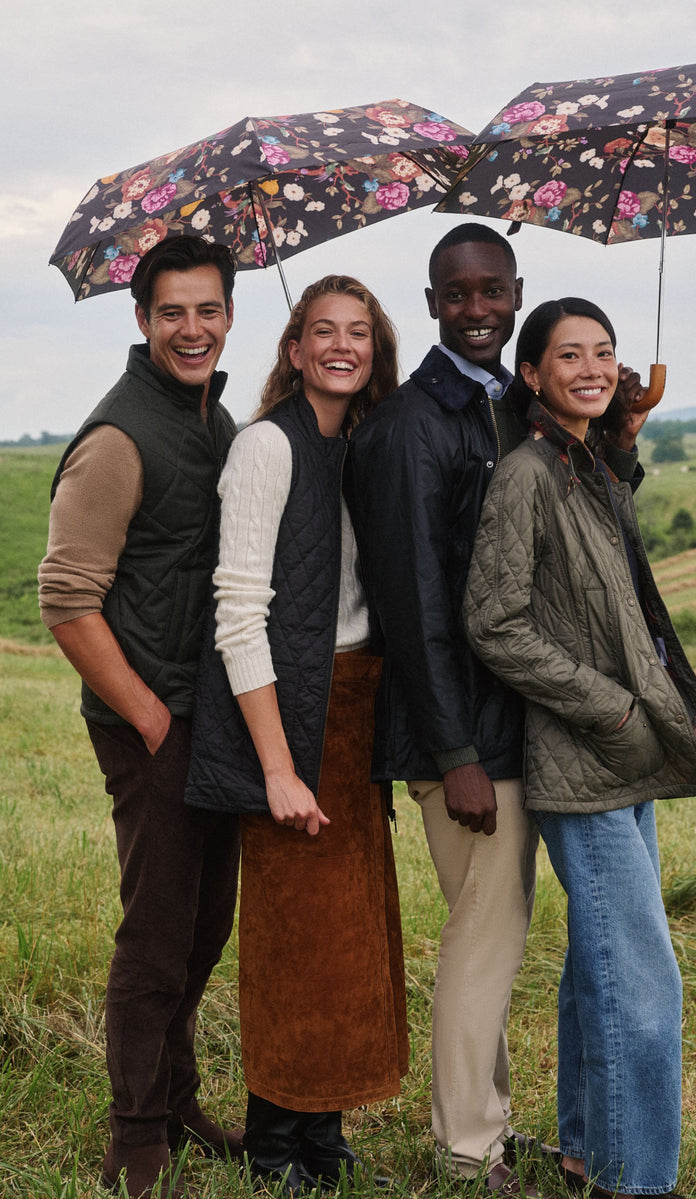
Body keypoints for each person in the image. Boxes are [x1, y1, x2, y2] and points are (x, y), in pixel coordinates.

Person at [348, 225, 645, 1197]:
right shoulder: (408, 425)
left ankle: (488, 1124)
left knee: (499, 931)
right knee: (485, 937)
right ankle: (468, 1149)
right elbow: (412, 604)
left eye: (492, 290)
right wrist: (454, 750)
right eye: (457, 292)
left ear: (516, 294)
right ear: (431, 303)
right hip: (462, 738)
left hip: (515, 725)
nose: (476, 308)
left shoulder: (515, 409)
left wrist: (620, 441)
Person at [463, 297, 696, 1199]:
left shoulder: (585, 464)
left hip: (625, 750)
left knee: (596, 966)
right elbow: (494, 623)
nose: (592, 367)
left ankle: (584, 1152)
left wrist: (623, 439)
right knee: (641, 981)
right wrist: (609, 708)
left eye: (603, 352)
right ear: (531, 374)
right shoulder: (526, 474)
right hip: (586, 755)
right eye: (568, 355)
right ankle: (635, 1180)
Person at [185, 275, 409, 1194]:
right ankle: (275, 1139)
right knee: (293, 940)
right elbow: (239, 614)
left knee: (350, 935)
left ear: (376, 350)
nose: (342, 345)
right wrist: (277, 767)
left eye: (359, 331)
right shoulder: (266, 446)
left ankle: (325, 1133)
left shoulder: (360, 443)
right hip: (286, 715)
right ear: (294, 349)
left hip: (355, 711)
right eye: (324, 330)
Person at [38, 236, 244, 1199]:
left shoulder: (213, 418)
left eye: (207, 310)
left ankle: (176, 1102)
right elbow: (65, 600)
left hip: (211, 716)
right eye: (172, 313)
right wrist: (152, 719)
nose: (191, 329)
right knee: (157, 935)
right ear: (142, 319)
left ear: (230, 314)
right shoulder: (119, 438)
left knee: (205, 925)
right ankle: (135, 1140)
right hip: (152, 717)